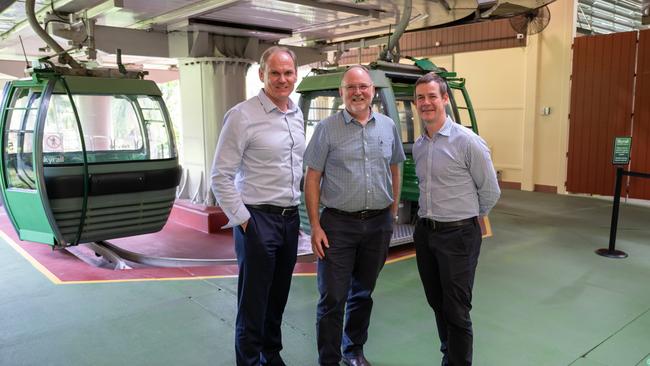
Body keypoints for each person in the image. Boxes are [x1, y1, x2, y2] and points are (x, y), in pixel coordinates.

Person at [304, 65, 406, 366]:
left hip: (378, 225)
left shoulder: (388, 126)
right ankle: (329, 359)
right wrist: (315, 226)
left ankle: (354, 351)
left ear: (372, 91)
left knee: (363, 293)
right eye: (351, 87)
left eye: (363, 86)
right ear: (341, 93)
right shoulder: (326, 129)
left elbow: (395, 167)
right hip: (338, 225)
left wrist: (392, 210)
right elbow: (313, 177)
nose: (357, 92)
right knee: (332, 298)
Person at [211, 46, 305, 366]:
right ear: (262, 75)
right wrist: (243, 220)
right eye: (275, 73)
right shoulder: (242, 116)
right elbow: (220, 175)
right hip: (257, 219)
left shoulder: (296, 113)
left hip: (289, 219)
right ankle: (249, 360)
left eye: (288, 72)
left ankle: (271, 353)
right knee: (253, 302)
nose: (282, 79)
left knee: (277, 297)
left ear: (296, 75)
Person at [411, 72, 500, 366]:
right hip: (426, 234)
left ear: (445, 99)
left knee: (457, 309)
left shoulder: (468, 142)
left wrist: (466, 221)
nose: (426, 103)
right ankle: (448, 355)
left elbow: (490, 191)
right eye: (420, 97)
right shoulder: (420, 145)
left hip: (458, 236)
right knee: (437, 302)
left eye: (432, 96)